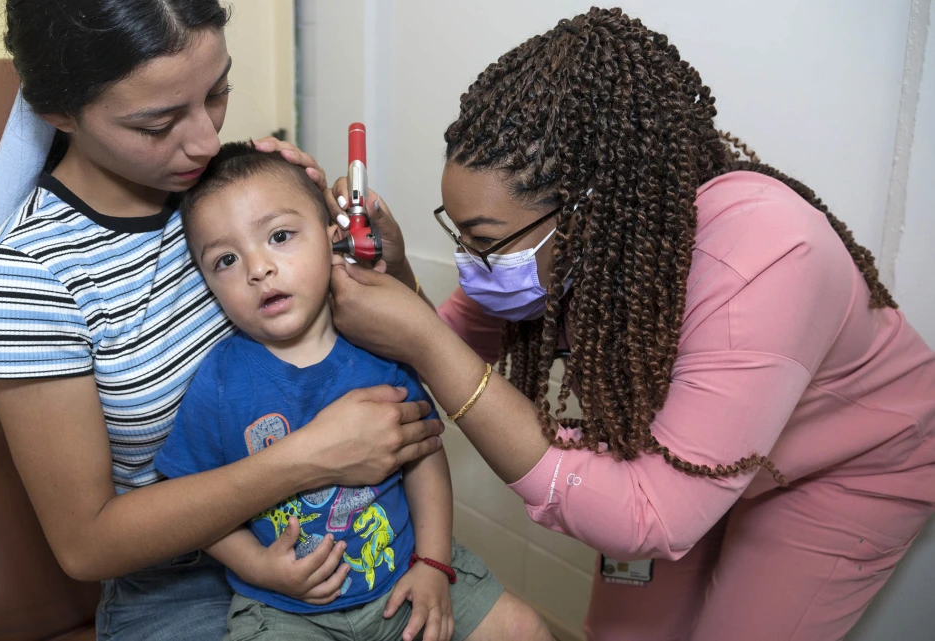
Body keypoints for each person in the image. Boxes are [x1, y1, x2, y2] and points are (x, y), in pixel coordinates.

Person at [326, 8, 935, 641]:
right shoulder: (554, 244)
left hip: (837, 468)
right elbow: (446, 348)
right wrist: (394, 274)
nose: (471, 263)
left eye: (482, 241)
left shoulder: (768, 256)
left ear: (589, 210)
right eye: (460, 234)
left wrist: (424, 341)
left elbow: (653, 516)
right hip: (680, 455)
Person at [0, 2, 442, 639]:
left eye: (216, 92)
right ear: (58, 114)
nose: (206, 141)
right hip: (180, 584)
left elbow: (406, 356)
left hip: (356, 522)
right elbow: (86, 545)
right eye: (159, 122)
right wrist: (310, 458)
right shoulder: (23, 276)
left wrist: (386, 268)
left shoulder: (229, 188)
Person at [152, 143, 551, 641]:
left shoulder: (378, 347)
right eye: (226, 260)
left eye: (279, 236)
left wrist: (431, 563)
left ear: (332, 238)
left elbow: (424, 457)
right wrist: (256, 567)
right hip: (287, 611)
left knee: (525, 629)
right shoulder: (217, 384)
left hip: (405, 577)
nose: (257, 269)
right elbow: (193, 502)